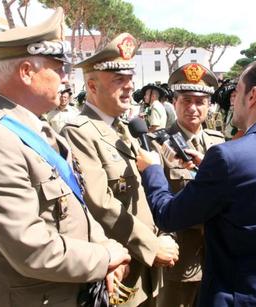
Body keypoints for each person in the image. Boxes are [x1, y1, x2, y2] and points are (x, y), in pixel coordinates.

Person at [0, 8, 130, 307]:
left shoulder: (38, 128)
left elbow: (77, 208)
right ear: (26, 72)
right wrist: (104, 257)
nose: (65, 77)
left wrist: (104, 247)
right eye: (58, 67)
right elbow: (31, 249)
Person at [136, 59, 256, 306]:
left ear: (253, 96)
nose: (232, 100)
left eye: (237, 92)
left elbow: (168, 215)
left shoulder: (227, 156)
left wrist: (153, 169)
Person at [61, 33, 179, 307]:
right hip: (118, 267)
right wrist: (152, 245)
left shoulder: (127, 130)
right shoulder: (80, 133)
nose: (129, 88)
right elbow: (100, 203)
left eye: (130, 79)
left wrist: (162, 235)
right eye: (118, 80)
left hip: (146, 269)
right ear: (91, 86)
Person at [152, 63, 225, 307]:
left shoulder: (219, 143)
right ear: (174, 103)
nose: (193, 108)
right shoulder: (157, 145)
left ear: (209, 105)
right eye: (186, 100)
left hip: (217, 258)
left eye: (200, 101)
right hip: (179, 260)